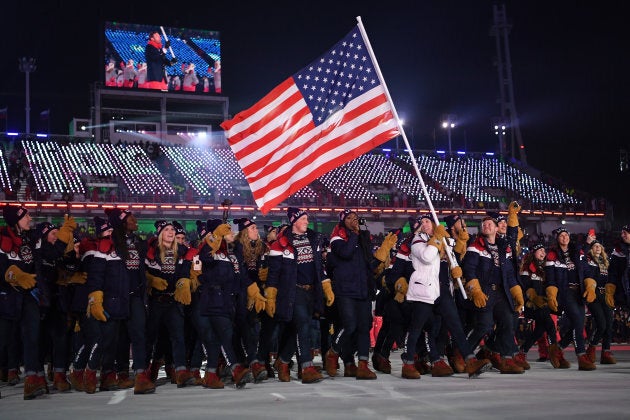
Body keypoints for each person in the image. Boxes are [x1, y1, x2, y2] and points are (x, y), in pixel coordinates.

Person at [266, 208, 332, 384]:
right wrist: (271, 296)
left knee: (299, 327)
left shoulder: (313, 239)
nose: (306, 222)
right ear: (294, 221)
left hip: (312, 291)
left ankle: (283, 361)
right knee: (303, 324)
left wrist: (326, 287)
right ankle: (306, 367)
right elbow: (273, 274)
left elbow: (319, 268)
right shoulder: (280, 244)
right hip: (293, 291)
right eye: (303, 218)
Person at [463, 215, 525, 374]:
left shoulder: (505, 247)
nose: (486, 226)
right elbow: (469, 269)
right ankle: (463, 353)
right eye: (484, 224)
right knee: (484, 325)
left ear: (497, 228)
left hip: (502, 292)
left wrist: (516, 292)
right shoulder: (475, 246)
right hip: (484, 291)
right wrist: (475, 290)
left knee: (508, 323)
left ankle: (507, 360)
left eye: (490, 224)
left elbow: (510, 273)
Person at [0, 205, 46, 399]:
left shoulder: (30, 239)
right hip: (6, 297)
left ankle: (32, 380)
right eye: (25, 216)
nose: (29, 218)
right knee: (3, 339)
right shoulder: (2, 239)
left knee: (32, 336)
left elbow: (39, 265)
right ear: (15, 220)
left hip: (28, 296)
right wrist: (13, 275)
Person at [145, 220, 196, 387]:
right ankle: (145, 371)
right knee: (151, 337)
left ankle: (180, 370)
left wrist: (184, 280)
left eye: (172, 229)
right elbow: (143, 271)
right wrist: (151, 280)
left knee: (178, 337)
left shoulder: (182, 251)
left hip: (174, 300)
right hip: (156, 301)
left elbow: (188, 267)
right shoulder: (152, 251)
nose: (170, 232)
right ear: (160, 233)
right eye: (166, 229)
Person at [544, 227, 596, 371]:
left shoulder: (577, 252)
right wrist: (552, 294)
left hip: (578, 293)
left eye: (566, 235)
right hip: (565, 292)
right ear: (557, 239)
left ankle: (557, 350)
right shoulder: (552, 255)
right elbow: (550, 278)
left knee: (577, 324)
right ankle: (581, 356)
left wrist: (590, 286)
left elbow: (586, 270)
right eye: (561, 236)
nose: (564, 237)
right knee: (578, 322)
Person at [519, 243, 568, 368]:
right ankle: (555, 355)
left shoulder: (545, 268)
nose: (543, 253)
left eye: (543, 250)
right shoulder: (526, 268)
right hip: (533, 305)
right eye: (539, 250)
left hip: (544, 304)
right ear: (533, 253)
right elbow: (525, 287)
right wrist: (534, 297)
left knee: (538, 332)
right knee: (551, 327)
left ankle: (521, 353)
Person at [583, 240, 616, 364]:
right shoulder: (588, 260)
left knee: (609, 325)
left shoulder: (606, 262)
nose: (598, 248)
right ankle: (591, 348)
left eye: (600, 246)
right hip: (594, 296)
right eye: (595, 246)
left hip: (605, 296)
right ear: (591, 249)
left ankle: (606, 352)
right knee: (601, 324)